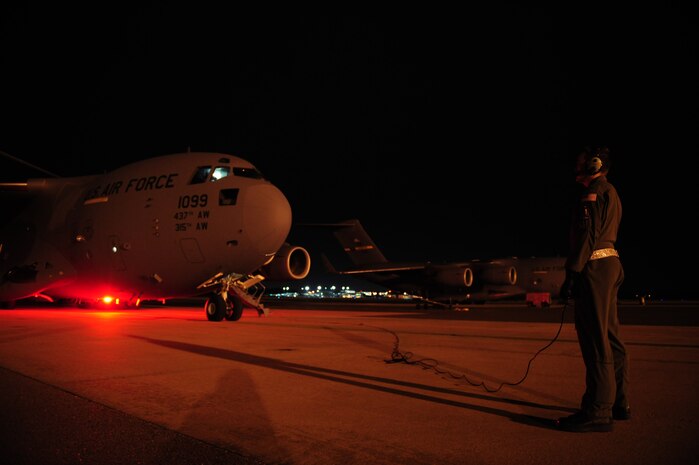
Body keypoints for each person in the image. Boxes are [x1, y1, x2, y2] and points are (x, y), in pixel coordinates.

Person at [557, 146, 630, 433]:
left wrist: (573, 273)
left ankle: (598, 411)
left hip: (596, 268)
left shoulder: (593, 193)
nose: (576, 167)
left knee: (595, 337)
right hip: (611, 263)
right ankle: (618, 402)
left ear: (594, 165)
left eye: (580, 163)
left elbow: (588, 234)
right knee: (611, 337)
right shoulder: (611, 191)